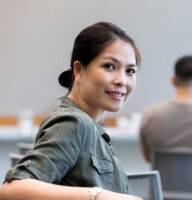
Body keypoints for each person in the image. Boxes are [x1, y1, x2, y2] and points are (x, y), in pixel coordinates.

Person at [0, 22, 142, 200]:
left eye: (130, 71)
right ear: (79, 70)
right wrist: (97, 196)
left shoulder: (89, 125)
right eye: (109, 66)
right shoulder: (74, 123)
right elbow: (10, 191)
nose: (122, 80)